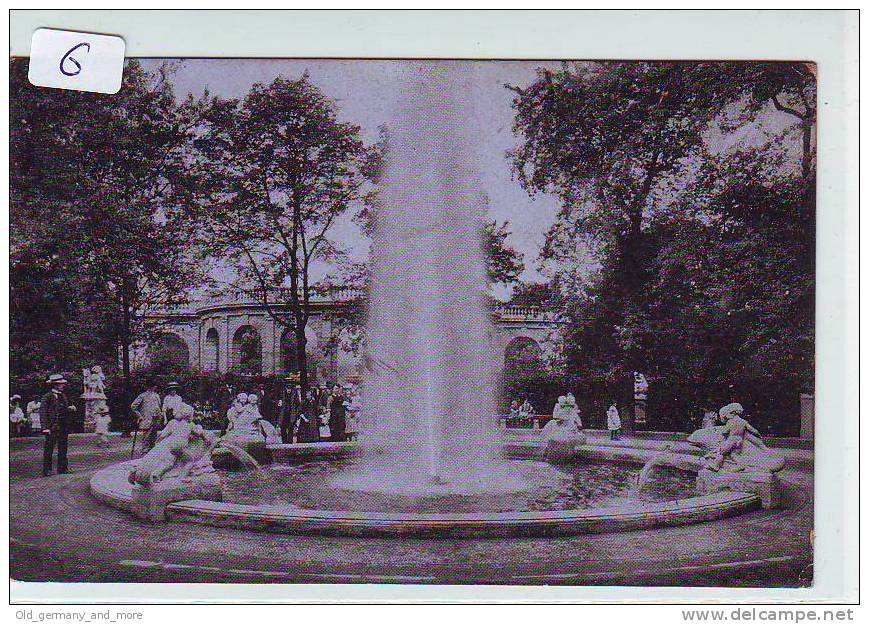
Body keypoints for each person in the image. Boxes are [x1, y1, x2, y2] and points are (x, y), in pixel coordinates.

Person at [39, 374, 77, 476]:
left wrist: (69, 408)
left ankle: (62, 468)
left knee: (63, 448)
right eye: (60, 384)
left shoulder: (63, 396)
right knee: (49, 449)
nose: (63, 385)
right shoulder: (47, 396)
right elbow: (43, 412)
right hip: (52, 427)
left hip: (63, 426)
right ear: (55, 385)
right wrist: (45, 427)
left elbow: (62, 409)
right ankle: (47, 469)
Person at [131, 382, 163, 452]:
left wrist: (160, 414)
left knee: (154, 434)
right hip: (147, 417)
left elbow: (159, 406)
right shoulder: (143, 395)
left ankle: (152, 449)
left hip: (156, 417)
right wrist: (139, 415)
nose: (155, 387)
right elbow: (133, 406)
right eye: (154, 386)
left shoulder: (157, 395)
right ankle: (145, 449)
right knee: (147, 435)